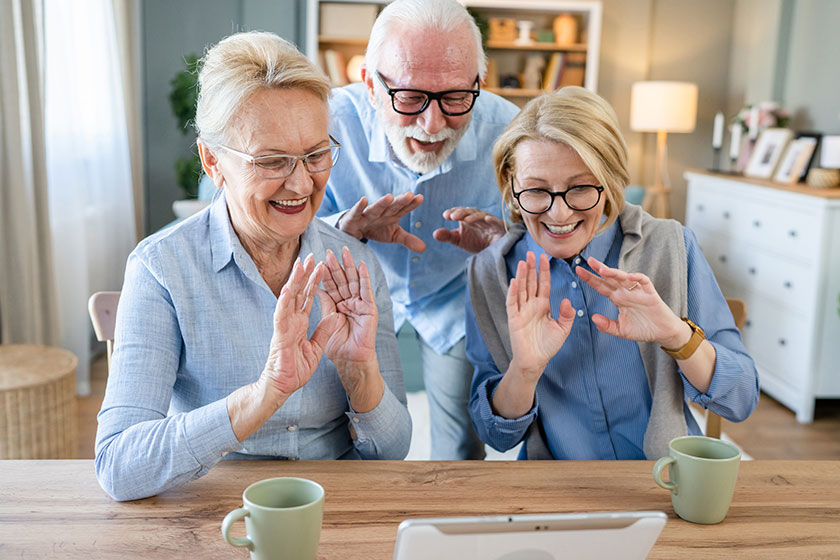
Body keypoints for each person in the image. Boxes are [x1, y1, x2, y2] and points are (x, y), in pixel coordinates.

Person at [95, 32, 411, 501]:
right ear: (212, 161)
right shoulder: (161, 269)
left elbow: (394, 453)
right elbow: (119, 465)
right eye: (272, 161)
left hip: (335, 505)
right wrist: (264, 394)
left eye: (315, 155)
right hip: (214, 507)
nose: (301, 184)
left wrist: (358, 370)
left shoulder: (354, 265)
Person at [466, 87, 760, 460]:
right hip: (555, 487)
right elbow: (496, 436)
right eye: (537, 190)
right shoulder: (490, 274)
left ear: (610, 181)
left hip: (665, 480)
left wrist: (675, 334)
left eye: (580, 187)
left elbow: (741, 399)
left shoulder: (670, 245)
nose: (559, 214)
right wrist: (524, 371)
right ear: (512, 185)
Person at [319, 0, 520, 460]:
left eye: (455, 97)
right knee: (352, 437)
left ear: (480, 82)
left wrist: (504, 241)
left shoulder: (510, 133)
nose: (433, 125)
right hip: (357, 295)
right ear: (371, 85)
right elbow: (288, 227)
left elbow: (543, 234)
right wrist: (343, 227)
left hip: (453, 296)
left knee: (460, 446)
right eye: (410, 98)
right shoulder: (326, 124)